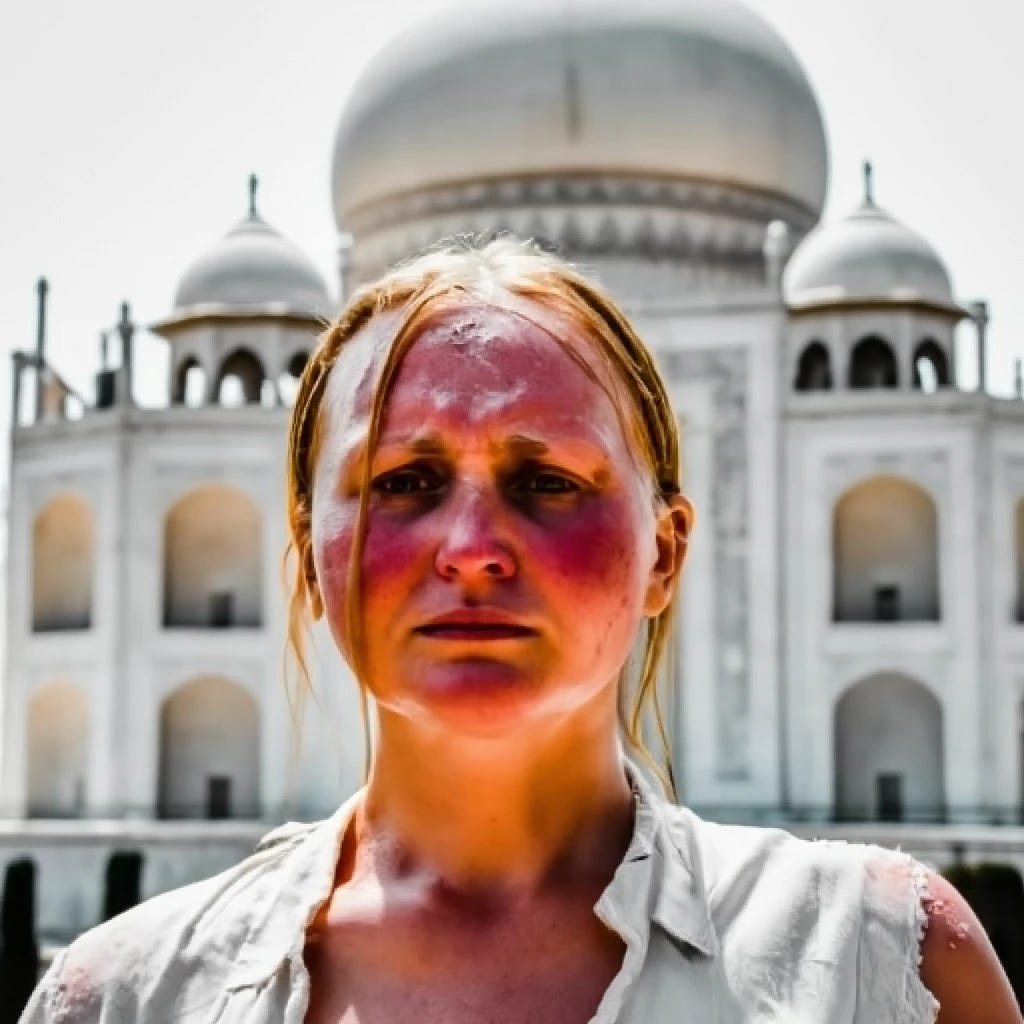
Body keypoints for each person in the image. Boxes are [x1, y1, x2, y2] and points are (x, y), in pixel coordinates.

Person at [20, 238, 1021, 1023]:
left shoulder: (879, 963)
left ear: (664, 553)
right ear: (307, 554)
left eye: (546, 481)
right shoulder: (126, 998)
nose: (471, 547)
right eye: (402, 481)